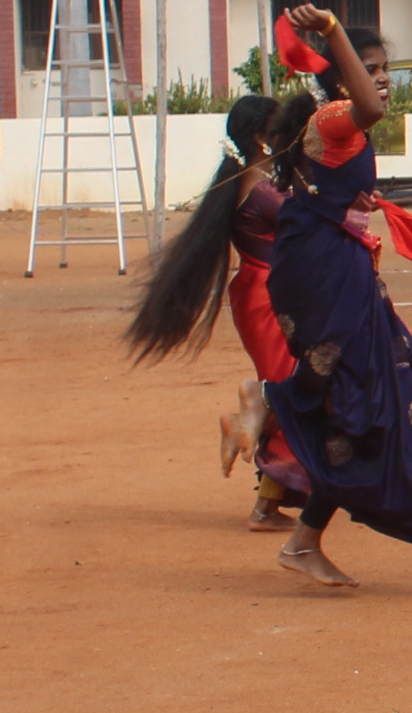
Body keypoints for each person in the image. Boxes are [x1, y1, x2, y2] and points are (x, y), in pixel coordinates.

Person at [258, 7, 412, 585]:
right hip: (324, 272)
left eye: (384, 67)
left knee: (368, 407)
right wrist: (332, 31)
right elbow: (372, 107)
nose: (382, 77)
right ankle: (270, 404)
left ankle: (304, 537)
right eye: (369, 67)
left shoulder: (339, 124)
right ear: (339, 73)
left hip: (335, 268)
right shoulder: (336, 117)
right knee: (364, 404)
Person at [122, 91, 309, 531]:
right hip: (269, 296)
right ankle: (263, 499)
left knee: (293, 390)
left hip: (261, 291)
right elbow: (305, 222)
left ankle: (250, 434)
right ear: (263, 137)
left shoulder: (248, 178)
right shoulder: (261, 187)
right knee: (294, 393)